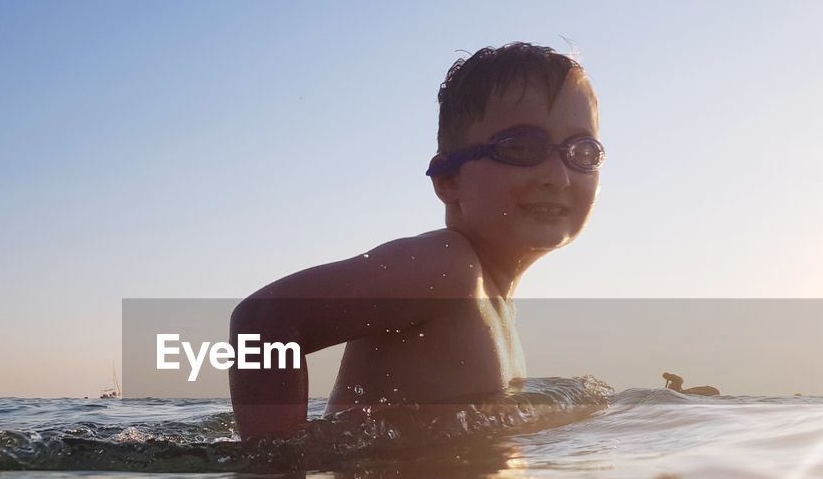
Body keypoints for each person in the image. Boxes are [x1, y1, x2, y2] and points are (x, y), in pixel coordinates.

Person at [230, 43, 603, 441]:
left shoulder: (491, 302)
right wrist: (277, 477)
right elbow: (264, 319)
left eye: (583, 152)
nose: (558, 177)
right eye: (522, 148)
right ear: (448, 179)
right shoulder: (448, 267)